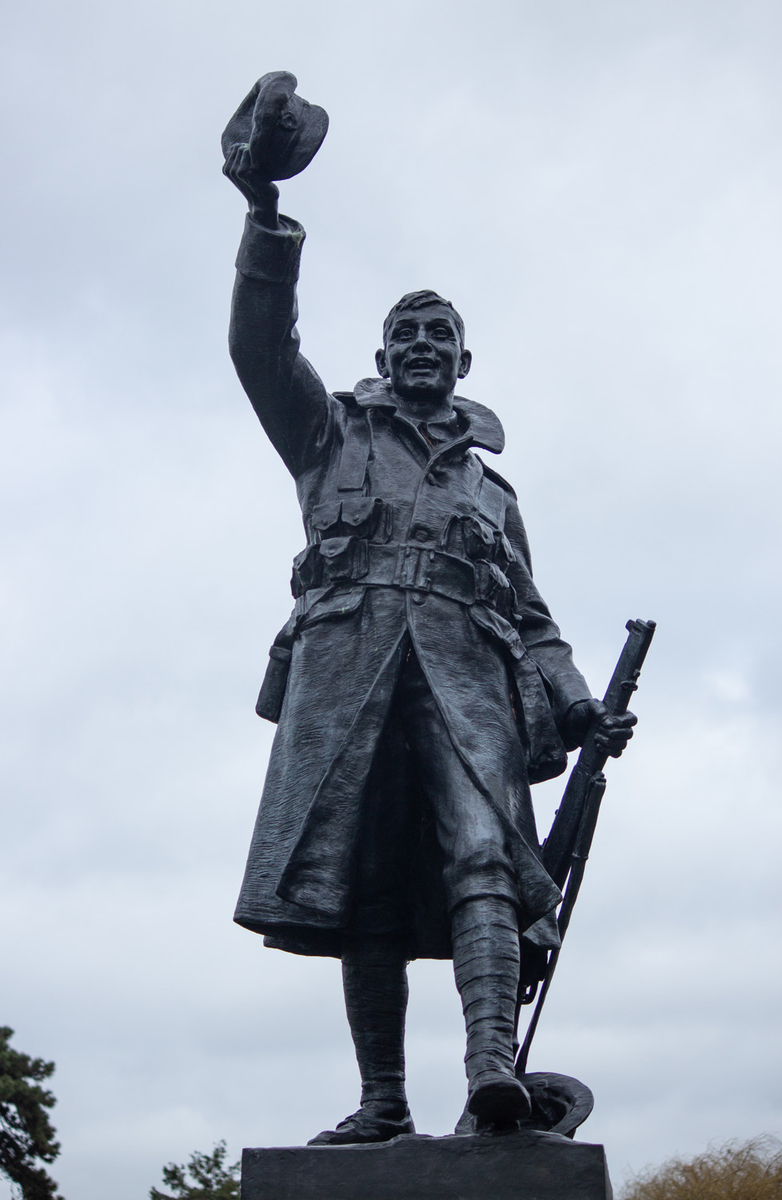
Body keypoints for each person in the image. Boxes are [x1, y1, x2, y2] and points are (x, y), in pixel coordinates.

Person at [222, 77, 635, 1145]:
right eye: (403, 330)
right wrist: (265, 222)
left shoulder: (492, 493)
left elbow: (534, 621)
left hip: (469, 687)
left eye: (438, 333)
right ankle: (384, 1102)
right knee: (362, 888)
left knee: (482, 857)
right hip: (348, 677)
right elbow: (261, 355)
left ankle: (491, 1066)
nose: (419, 344)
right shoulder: (328, 436)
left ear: (462, 362)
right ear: (380, 352)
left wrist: (580, 706)